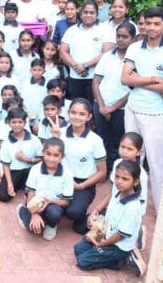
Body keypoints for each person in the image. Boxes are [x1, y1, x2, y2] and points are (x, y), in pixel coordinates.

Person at [121, 7, 163, 208]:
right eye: (148, 23)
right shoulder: (134, 47)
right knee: (130, 159)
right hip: (132, 109)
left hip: (156, 113)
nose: (152, 28)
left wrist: (139, 80)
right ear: (143, 25)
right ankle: (131, 203)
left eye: (157, 24)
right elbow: (124, 78)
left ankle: (160, 208)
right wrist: (154, 79)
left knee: (157, 163)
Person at [74, 160, 147, 277]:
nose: (119, 181)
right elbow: (110, 219)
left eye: (125, 179)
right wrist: (95, 227)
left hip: (118, 246)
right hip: (107, 236)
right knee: (79, 249)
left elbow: (120, 235)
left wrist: (100, 244)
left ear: (136, 181)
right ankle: (104, 254)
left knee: (83, 261)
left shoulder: (133, 207)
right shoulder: (117, 193)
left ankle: (122, 261)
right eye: (117, 177)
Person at [89, 132, 149, 250]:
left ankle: (137, 232)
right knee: (87, 228)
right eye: (122, 147)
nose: (124, 152)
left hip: (127, 214)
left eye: (129, 149)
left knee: (115, 239)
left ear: (138, 152)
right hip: (114, 208)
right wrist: (97, 209)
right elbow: (113, 191)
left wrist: (135, 222)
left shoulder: (141, 175)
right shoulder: (118, 163)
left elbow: (141, 204)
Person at [57, 98, 107, 235]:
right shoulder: (60, 132)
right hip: (61, 179)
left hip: (83, 183)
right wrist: (55, 138)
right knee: (53, 208)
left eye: (82, 114)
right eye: (73, 112)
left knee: (73, 212)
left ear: (89, 116)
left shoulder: (95, 140)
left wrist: (81, 186)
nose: (77, 117)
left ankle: (98, 215)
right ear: (68, 113)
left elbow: (102, 172)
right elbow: (49, 159)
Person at [92, 22, 135, 171]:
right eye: (118, 36)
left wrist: (113, 108)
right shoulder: (107, 56)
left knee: (120, 142)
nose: (120, 39)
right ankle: (104, 171)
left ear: (133, 38)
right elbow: (96, 82)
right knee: (103, 141)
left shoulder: (136, 58)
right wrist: (102, 106)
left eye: (125, 37)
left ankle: (118, 173)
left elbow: (135, 89)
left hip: (122, 109)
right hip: (100, 106)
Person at [17, 137, 74, 241]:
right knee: (32, 228)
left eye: (56, 155)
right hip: (35, 204)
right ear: (43, 153)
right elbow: (31, 193)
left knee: (54, 213)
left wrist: (50, 201)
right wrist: (34, 213)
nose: (51, 159)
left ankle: (52, 224)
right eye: (48, 154)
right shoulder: (35, 169)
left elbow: (66, 202)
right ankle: (22, 210)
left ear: (62, 156)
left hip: (53, 205)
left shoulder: (67, 174)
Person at [59, 0, 114, 103]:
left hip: (96, 79)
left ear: (97, 14)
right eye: (85, 12)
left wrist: (85, 66)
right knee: (77, 107)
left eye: (92, 13)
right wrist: (76, 66)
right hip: (74, 78)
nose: (88, 15)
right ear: (80, 14)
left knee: (94, 108)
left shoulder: (105, 30)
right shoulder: (71, 30)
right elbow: (63, 52)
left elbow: (107, 53)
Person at [0, 107, 43, 202]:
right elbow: (6, 164)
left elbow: (41, 159)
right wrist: (9, 183)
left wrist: (27, 160)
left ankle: (26, 186)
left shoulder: (34, 140)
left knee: (39, 194)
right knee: (3, 196)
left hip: (31, 171)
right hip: (15, 171)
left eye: (20, 122)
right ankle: (21, 185)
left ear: (25, 123)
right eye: (13, 122)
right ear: (8, 123)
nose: (17, 125)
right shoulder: (6, 142)